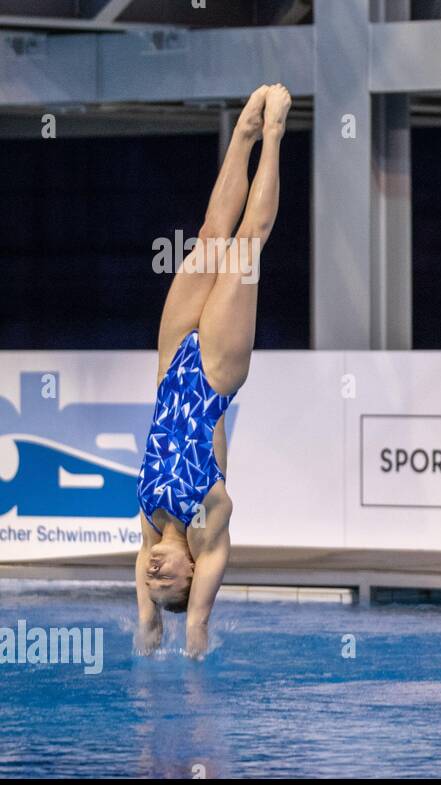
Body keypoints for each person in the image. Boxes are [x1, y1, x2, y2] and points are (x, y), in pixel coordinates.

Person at [134, 83, 290, 658]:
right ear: (192, 570)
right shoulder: (208, 520)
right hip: (213, 375)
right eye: (165, 579)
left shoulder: (151, 519)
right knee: (247, 244)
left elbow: (139, 562)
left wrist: (147, 618)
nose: (154, 571)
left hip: (171, 360)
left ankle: (242, 133)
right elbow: (208, 578)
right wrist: (193, 626)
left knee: (208, 235)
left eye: (152, 579)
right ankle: (273, 136)